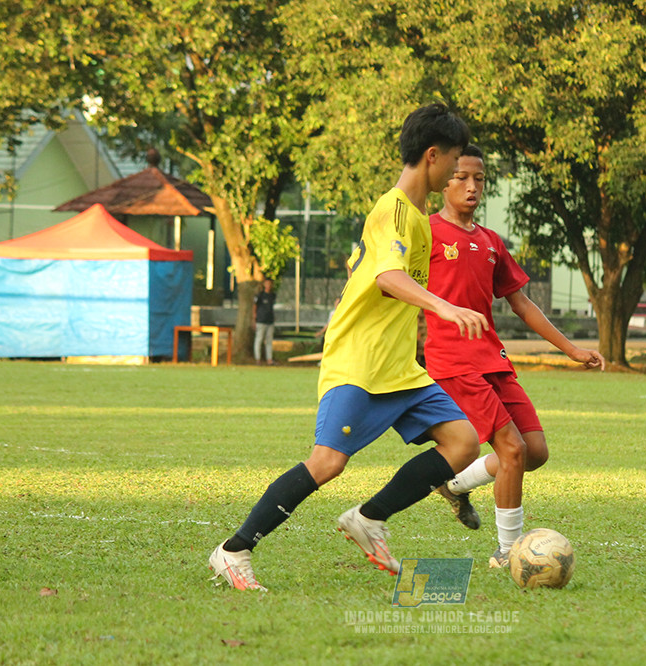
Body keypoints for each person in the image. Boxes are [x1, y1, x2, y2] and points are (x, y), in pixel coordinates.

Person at [208, 103, 488, 590]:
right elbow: (387, 276)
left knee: (463, 442)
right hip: (360, 360)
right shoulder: (395, 209)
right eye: (455, 161)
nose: (457, 172)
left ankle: (369, 517)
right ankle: (234, 551)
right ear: (433, 157)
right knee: (327, 463)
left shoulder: (415, 218)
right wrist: (444, 308)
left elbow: (369, 274)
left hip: (397, 365)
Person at [423, 144, 605, 567]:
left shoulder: (490, 242)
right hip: (453, 362)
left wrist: (573, 350)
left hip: (493, 359)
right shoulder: (426, 232)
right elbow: (393, 284)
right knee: (512, 451)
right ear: (443, 180)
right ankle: (509, 553)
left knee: (535, 452)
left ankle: (453, 485)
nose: (472, 187)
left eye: (479, 179)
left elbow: (521, 304)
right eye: (461, 177)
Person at [253, 277, 276, 365]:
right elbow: (254, 306)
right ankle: (257, 359)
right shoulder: (260, 295)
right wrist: (254, 318)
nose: (269, 285)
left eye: (270, 284)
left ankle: (269, 359)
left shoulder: (272, 295)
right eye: (267, 283)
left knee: (269, 341)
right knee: (259, 339)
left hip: (270, 321)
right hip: (261, 320)